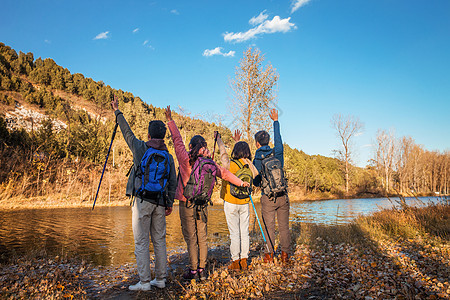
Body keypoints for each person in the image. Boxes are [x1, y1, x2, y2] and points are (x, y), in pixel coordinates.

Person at [164, 106, 250, 280]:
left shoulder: (185, 158)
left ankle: (193, 270)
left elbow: (177, 140)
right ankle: (202, 271)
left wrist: (170, 120)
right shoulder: (209, 163)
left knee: (191, 237)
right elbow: (226, 174)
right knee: (202, 236)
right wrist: (242, 182)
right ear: (203, 147)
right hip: (203, 203)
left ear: (191, 146)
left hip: (186, 202)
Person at [112, 96, 177, 291]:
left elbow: (127, 132)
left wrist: (117, 111)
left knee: (141, 242)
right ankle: (161, 279)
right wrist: (169, 203)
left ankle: (144, 282)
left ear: (149, 135)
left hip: (141, 201)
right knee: (159, 241)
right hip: (159, 202)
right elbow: (172, 181)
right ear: (163, 136)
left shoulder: (140, 148)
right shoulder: (168, 156)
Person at [216, 130, 259, 270]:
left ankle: (235, 262)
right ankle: (244, 260)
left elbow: (223, 154)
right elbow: (256, 175)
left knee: (234, 233)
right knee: (244, 232)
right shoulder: (250, 166)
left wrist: (219, 140)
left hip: (230, 201)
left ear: (235, 151)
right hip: (245, 202)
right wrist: (239, 144)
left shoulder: (230, 164)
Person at [253, 109, 291, 263]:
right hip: (283, 196)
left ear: (257, 143)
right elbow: (279, 141)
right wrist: (275, 121)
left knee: (269, 227)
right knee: (284, 227)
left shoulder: (257, 158)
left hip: (267, 198)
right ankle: (285, 255)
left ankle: (269, 255)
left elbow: (256, 181)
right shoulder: (277, 153)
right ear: (268, 142)